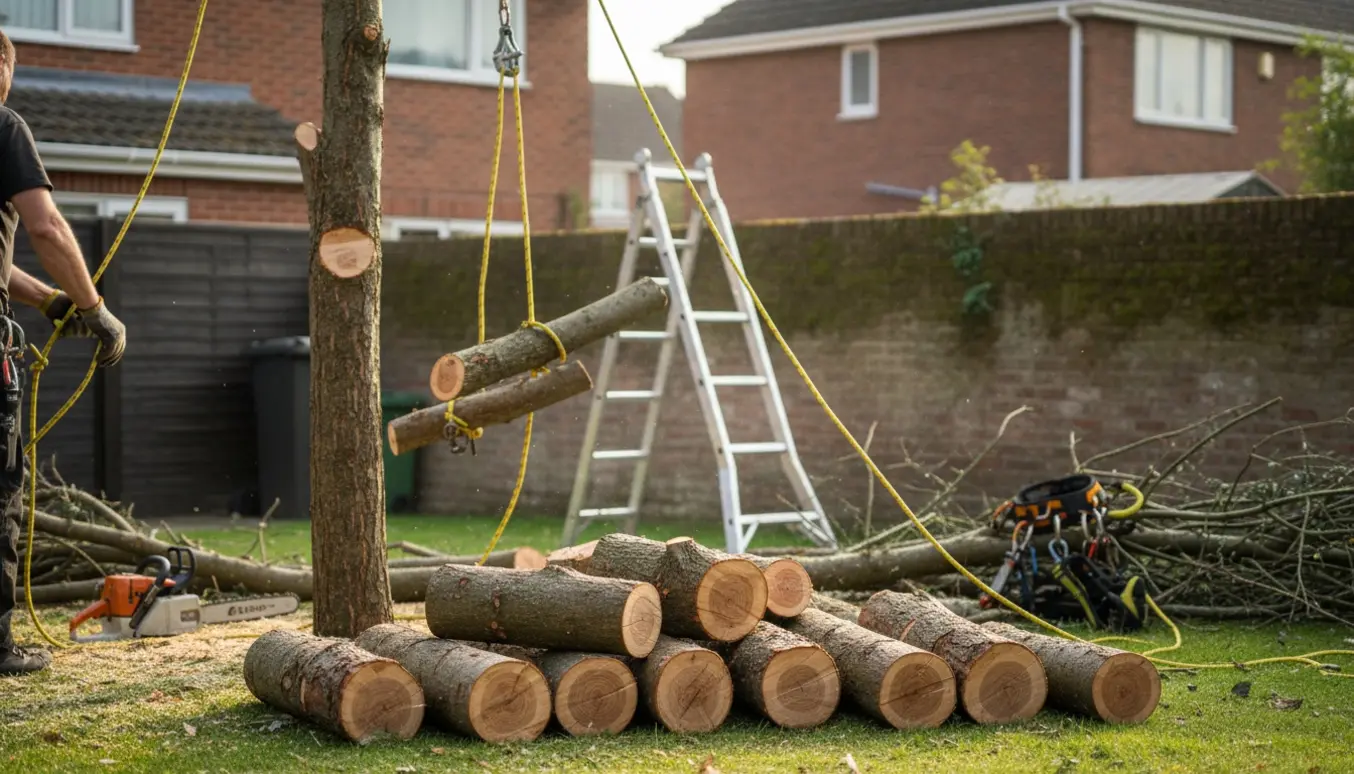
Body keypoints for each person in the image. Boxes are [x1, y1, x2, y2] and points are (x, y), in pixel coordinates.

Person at [0, 30, 126, 676]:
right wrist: (92, 307)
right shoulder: (4, 126)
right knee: (1, 493)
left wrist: (49, 301)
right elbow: (46, 226)